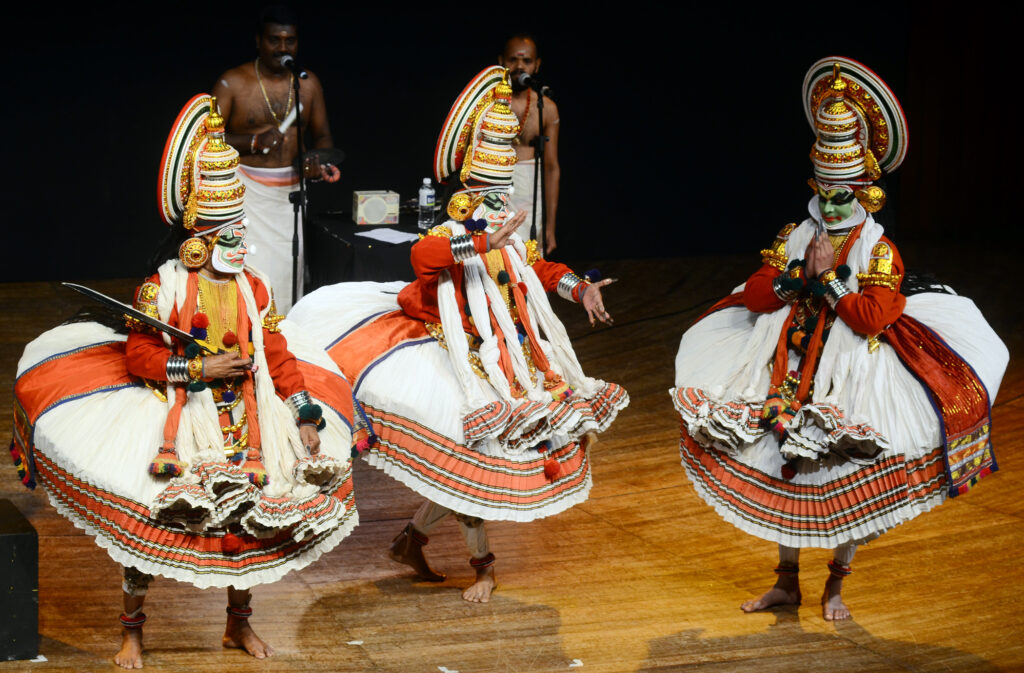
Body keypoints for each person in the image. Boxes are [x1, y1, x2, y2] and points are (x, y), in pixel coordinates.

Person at [10, 95, 362, 668]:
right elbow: (141, 357)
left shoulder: (256, 285)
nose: (241, 240)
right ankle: (132, 631)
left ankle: (237, 625)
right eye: (230, 231)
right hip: (178, 413)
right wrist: (201, 368)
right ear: (198, 237)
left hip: (253, 417)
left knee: (251, 529)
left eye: (242, 229)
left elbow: (274, 350)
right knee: (151, 528)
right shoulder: (163, 288)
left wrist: (303, 413)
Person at [670, 58, 1008, 621]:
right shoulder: (796, 233)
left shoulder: (879, 250)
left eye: (839, 197)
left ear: (864, 193)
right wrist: (794, 276)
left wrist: (827, 280)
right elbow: (757, 294)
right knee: (781, 463)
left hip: (851, 371)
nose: (828, 207)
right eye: (822, 194)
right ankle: (786, 583)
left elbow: (872, 317)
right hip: (785, 364)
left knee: (842, 471)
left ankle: (835, 586)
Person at [289, 67, 628, 602]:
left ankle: (412, 540)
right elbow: (422, 257)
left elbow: (536, 267)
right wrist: (479, 241)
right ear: (471, 191)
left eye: (504, 190)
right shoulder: (454, 232)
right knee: (469, 458)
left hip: (507, 355)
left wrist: (578, 289)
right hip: (449, 354)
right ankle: (483, 567)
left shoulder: (508, 230)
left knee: (478, 463)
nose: (500, 199)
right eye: (491, 191)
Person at [211, 5, 340, 313]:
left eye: (290, 41)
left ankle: (282, 337)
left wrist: (315, 160)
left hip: (290, 195)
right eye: (274, 40)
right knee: (247, 268)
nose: (283, 48)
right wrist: (252, 141)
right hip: (245, 192)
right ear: (258, 40)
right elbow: (206, 140)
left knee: (286, 271)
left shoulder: (307, 84)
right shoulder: (233, 82)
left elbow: (323, 138)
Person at [499, 34, 560, 256]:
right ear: (501, 61)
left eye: (526, 61)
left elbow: (552, 168)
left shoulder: (546, 107)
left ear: (537, 65)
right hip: (493, 189)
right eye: (513, 59)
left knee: (526, 261)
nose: (519, 66)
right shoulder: (487, 102)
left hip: (529, 196)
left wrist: (550, 227)